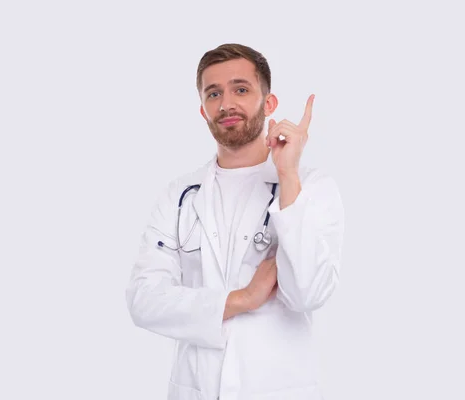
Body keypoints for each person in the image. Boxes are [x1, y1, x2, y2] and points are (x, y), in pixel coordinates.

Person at [125, 43, 345, 400]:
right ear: (203, 110)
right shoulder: (180, 195)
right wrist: (243, 298)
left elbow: (308, 293)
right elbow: (143, 301)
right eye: (214, 94)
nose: (226, 103)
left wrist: (287, 175)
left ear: (269, 103)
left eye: (241, 89)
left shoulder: (311, 185)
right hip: (196, 388)